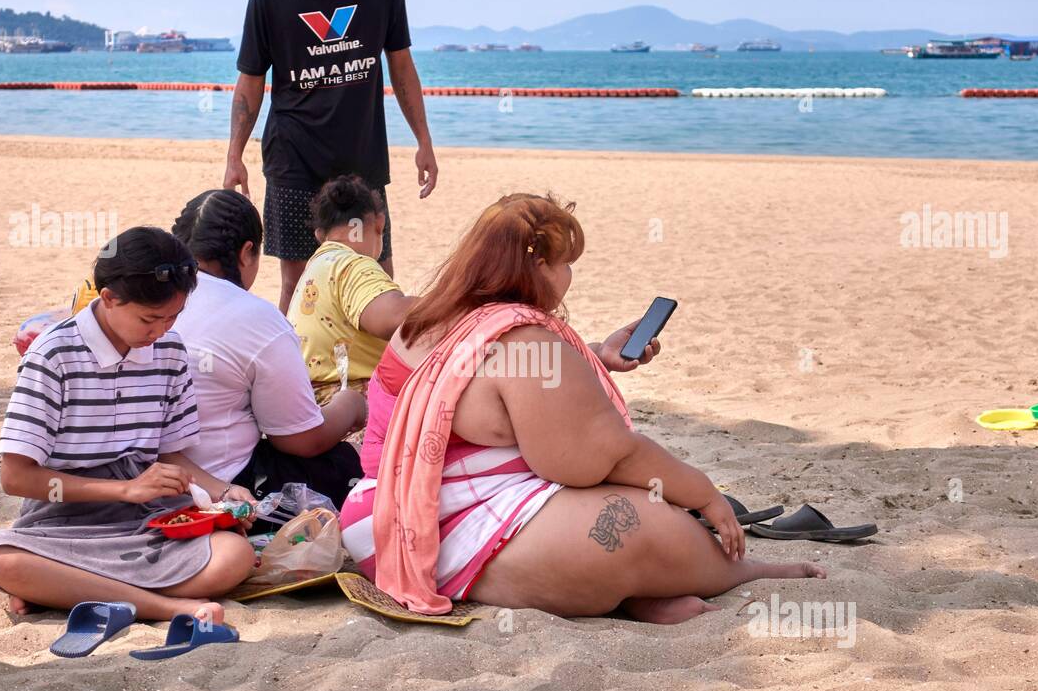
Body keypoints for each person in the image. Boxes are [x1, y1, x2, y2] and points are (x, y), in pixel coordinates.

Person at [339, 194, 825, 624]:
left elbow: (495, 387)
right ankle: (741, 572)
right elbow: (594, 458)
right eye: (566, 263)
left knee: (623, 512)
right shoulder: (523, 340)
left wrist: (592, 356)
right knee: (639, 516)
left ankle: (633, 596)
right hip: (438, 527)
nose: (569, 275)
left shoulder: (429, 318)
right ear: (540, 268)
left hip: (379, 521)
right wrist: (702, 492)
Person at [0, 228, 257, 624]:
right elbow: (16, 478)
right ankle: (167, 607)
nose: (160, 331)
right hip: (63, 519)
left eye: (172, 317)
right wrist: (123, 489)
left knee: (236, 555)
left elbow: (170, 455)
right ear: (108, 299)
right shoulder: (53, 355)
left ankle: (70, 590)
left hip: (149, 518)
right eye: (149, 319)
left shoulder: (170, 351)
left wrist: (225, 491)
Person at [225, 0, 438, 314]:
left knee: (376, 273)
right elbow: (250, 82)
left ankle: (383, 373)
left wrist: (424, 140)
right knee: (299, 282)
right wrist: (234, 155)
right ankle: (293, 370)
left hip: (362, 161)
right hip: (293, 160)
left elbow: (402, 68)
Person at [170, 189, 366, 509]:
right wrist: (350, 406)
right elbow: (302, 440)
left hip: (145, 472)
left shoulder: (148, 297)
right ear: (247, 252)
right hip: (222, 483)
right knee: (353, 461)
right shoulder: (255, 317)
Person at [289, 175, 419, 405]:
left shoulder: (313, 270)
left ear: (320, 234)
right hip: (351, 401)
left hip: (310, 401)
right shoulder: (352, 265)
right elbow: (393, 318)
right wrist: (452, 300)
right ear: (379, 223)